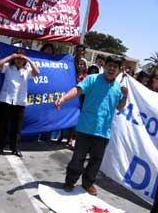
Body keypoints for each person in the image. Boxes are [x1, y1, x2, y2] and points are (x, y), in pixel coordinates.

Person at [55, 55, 128, 195]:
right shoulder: (92, 79)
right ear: (105, 66)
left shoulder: (118, 88)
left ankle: (88, 183)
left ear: (119, 70)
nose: (112, 68)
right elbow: (77, 90)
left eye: (115, 67)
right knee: (78, 158)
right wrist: (63, 98)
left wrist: (124, 96)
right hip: (85, 128)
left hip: (103, 132)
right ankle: (70, 182)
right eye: (109, 65)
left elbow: (119, 107)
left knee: (96, 161)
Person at [0, 48, 40, 157]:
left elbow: (37, 72)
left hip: (20, 102)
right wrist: (11, 56)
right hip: (5, 100)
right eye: (17, 58)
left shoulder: (27, 69)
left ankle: (15, 148)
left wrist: (28, 59)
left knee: (17, 127)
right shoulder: (8, 67)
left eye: (21, 58)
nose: (19, 60)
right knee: (2, 125)